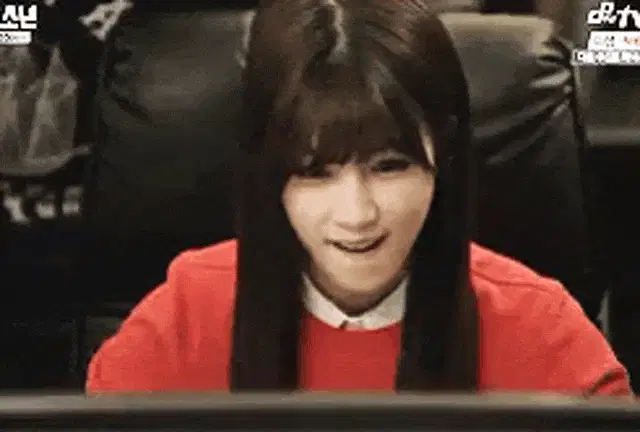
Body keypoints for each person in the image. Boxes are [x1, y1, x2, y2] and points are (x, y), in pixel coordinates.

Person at [86, 0, 632, 395]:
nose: (357, 215)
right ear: (267, 174)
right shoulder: (183, 318)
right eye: (314, 173)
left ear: (444, 157)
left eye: (390, 166)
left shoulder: (544, 332)